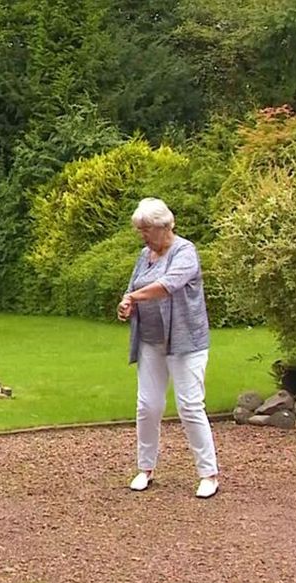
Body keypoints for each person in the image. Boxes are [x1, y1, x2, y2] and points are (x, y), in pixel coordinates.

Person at [117, 198, 219, 499]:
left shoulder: (185, 252)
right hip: (150, 340)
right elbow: (133, 285)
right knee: (147, 405)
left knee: (189, 405)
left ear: (165, 226)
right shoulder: (143, 254)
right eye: (140, 230)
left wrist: (134, 297)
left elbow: (166, 285)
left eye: (147, 229)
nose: (143, 235)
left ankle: (208, 473)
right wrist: (127, 303)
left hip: (185, 342)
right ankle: (145, 468)